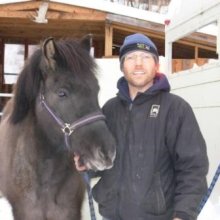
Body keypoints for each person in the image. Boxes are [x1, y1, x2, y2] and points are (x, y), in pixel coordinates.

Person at [74, 33, 209, 220]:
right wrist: (87, 164)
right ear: (122, 67)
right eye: (130, 58)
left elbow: (193, 169)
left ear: (156, 65)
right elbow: (102, 159)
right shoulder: (110, 109)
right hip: (111, 215)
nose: (138, 63)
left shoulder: (176, 109)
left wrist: (184, 214)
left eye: (146, 57)